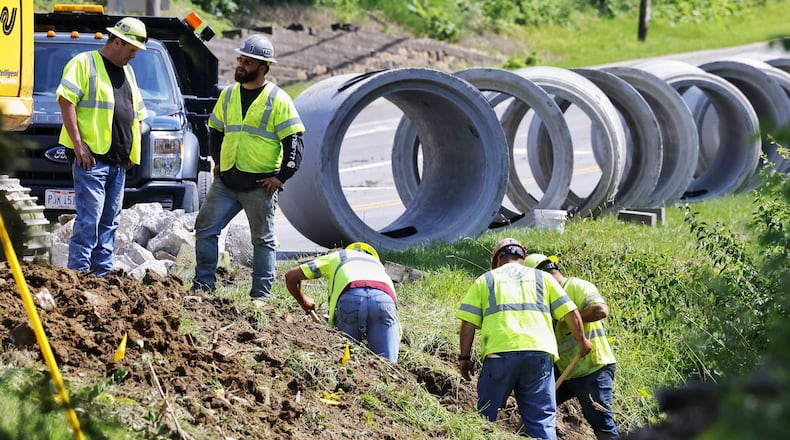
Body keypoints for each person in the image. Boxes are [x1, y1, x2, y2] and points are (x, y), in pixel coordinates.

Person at [191, 35, 305, 301]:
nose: (240, 65)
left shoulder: (278, 99)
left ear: (263, 66)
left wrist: (281, 177)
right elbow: (215, 130)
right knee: (205, 228)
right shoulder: (228, 94)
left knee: (262, 241)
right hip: (227, 181)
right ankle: (203, 286)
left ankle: (261, 297)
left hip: (260, 185)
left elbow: (295, 142)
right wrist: (218, 160)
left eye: (247, 62)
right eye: (240, 60)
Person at [456, 238, 592, 440]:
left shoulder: (486, 279)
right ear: (523, 258)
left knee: (485, 417)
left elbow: (467, 325)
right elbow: (571, 312)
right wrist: (582, 341)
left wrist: (464, 358)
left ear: (497, 261)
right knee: (542, 420)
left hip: (499, 355)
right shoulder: (543, 279)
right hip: (538, 356)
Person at [57, 17, 148, 276]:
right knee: (90, 220)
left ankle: (102, 276)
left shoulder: (128, 72)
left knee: (109, 221)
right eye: (131, 50)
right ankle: (78, 274)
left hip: (118, 162)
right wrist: (78, 145)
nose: (133, 57)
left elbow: (137, 115)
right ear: (117, 42)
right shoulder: (84, 63)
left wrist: (131, 150)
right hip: (92, 159)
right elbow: (66, 101)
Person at [525, 253, 619, 440]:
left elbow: (600, 310)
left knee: (601, 424)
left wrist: (571, 320)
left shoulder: (576, 286)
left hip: (592, 368)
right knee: (536, 411)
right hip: (564, 370)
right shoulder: (546, 299)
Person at [284, 242, 400, 362]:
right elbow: (396, 330)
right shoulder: (378, 266)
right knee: (389, 367)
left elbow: (291, 276)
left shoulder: (338, 256)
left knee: (346, 363)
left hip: (351, 299)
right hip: (385, 302)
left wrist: (303, 301)